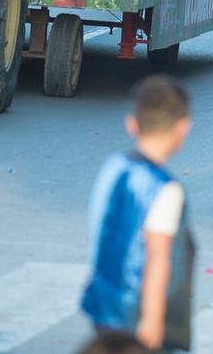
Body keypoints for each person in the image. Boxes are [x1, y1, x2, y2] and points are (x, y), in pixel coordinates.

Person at [81, 77, 194, 352]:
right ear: (183, 128)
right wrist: (153, 320)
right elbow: (158, 257)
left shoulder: (114, 166)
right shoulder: (165, 188)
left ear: (131, 123)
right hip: (140, 316)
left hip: (104, 303)